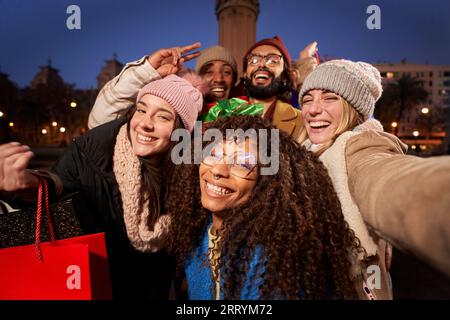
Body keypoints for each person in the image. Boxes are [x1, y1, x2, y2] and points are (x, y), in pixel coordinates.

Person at [0, 71, 206, 299]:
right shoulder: (94, 148)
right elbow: (62, 185)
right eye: (142, 109)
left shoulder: (190, 170)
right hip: (94, 283)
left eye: (163, 117)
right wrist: (31, 184)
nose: (145, 124)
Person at [166, 115, 371, 300]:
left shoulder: (278, 256)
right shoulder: (198, 234)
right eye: (213, 154)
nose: (218, 170)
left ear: (267, 183)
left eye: (242, 164)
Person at [298, 59, 450, 282]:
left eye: (330, 98)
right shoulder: (306, 150)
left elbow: (382, 178)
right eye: (307, 100)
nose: (313, 109)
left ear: (354, 108)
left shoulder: (360, 146)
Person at [88, 43, 237, 129]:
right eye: (209, 72)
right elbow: (99, 124)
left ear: (235, 79)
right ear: (197, 79)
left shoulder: (247, 115)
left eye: (227, 72)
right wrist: (147, 72)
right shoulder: (179, 116)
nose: (218, 78)